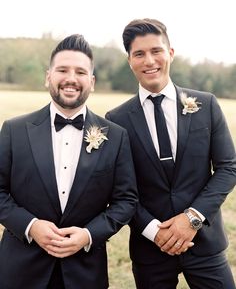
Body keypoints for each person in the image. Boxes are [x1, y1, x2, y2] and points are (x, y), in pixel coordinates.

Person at [106, 18, 236, 288]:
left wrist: (192, 218)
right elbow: (120, 188)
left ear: (171, 53)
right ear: (130, 60)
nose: (149, 60)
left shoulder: (207, 105)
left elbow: (228, 167)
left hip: (205, 244)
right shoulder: (116, 119)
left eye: (156, 51)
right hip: (151, 249)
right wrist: (155, 232)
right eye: (139, 54)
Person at [0, 34, 138, 289]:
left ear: (92, 81)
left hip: (85, 273)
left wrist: (87, 235)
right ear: (48, 76)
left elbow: (126, 201)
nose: (71, 78)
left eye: (80, 72)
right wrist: (31, 226)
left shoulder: (116, 136)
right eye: (62, 70)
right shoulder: (14, 130)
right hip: (20, 272)